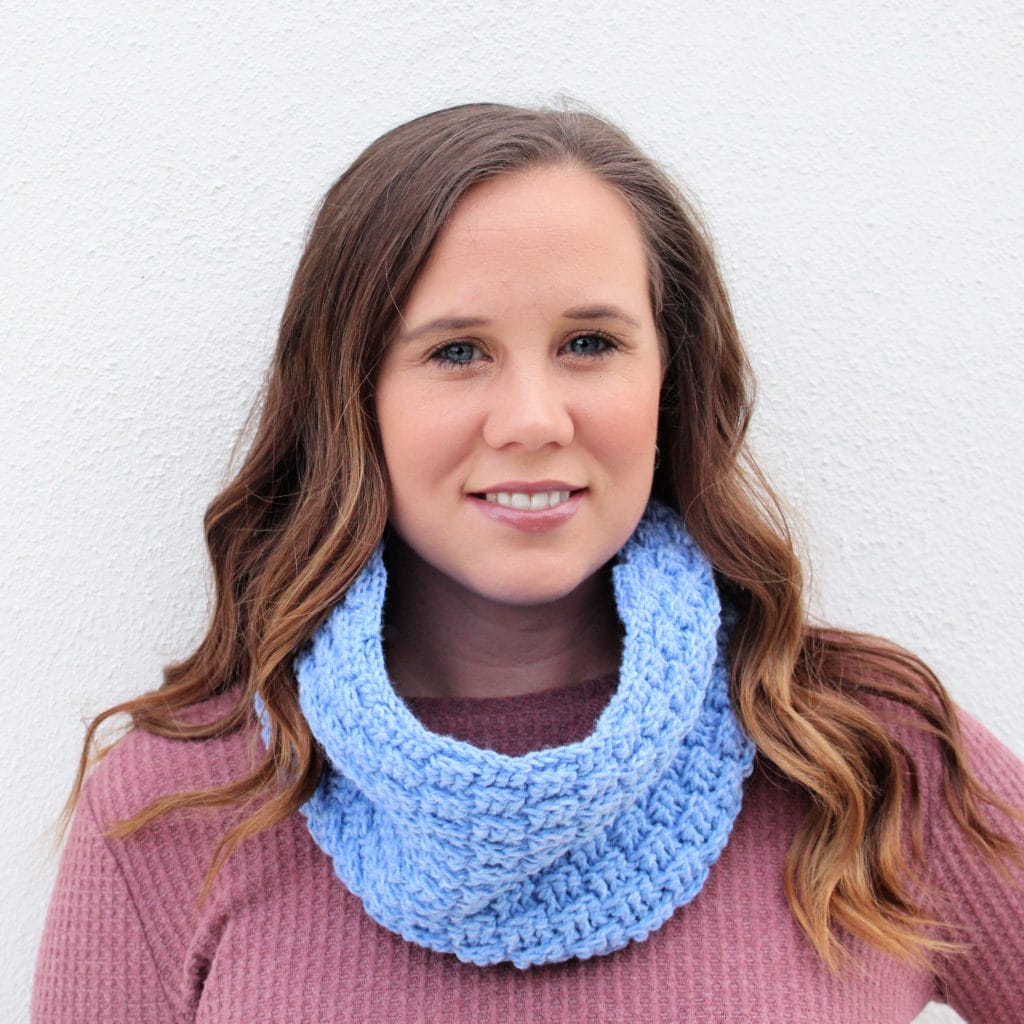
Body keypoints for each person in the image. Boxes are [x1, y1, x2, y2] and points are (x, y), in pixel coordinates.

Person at [32, 102, 1024, 1023]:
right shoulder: (180, 801)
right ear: (352, 398)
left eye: (589, 342)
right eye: (457, 352)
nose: (533, 420)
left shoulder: (867, 752)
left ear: (669, 380)